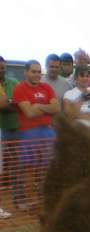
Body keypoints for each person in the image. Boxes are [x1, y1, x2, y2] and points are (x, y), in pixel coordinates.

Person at [12, 60, 59, 208]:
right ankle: (22, 200)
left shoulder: (47, 87)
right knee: (27, 168)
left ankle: (42, 198)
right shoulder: (20, 88)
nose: (37, 74)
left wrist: (38, 106)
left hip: (47, 132)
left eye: (39, 71)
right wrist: (46, 107)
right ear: (26, 72)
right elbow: (29, 113)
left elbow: (56, 108)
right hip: (29, 133)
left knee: (46, 167)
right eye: (33, 71)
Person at [0, 56, 21, 217]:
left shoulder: (13, 82)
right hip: (3, 129)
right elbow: (3, 104)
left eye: (3, 67)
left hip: (14, 128)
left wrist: (11, 102)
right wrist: (13, 102)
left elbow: (20, 102)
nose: (2, 69)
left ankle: (18, 199)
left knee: (16, 164)